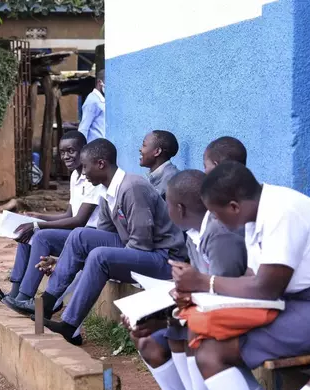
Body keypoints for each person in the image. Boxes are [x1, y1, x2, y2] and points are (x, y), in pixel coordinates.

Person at [170, 162, 310, 390]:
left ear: (234, 207)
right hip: (303, 301)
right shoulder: (256, 213)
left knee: (214, 352)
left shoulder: (282, 212)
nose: (216, 221)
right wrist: (196, 293)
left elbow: (265, 289)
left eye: (216, 214)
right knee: (205, 339)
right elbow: (252, 276)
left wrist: (203, 282)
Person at [14, 138, 187, 344]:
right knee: (80, 235)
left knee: (99, 256)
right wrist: (62, 262)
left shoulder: (132, 188)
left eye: (86, 166)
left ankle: (69, 326)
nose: (83, 172)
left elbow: (142, 242)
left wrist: (103, 259)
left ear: (101, 164)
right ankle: (48, 305)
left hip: (164, 258)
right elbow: (100, 236)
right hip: (140, 248)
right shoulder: (108, 191)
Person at [124, 169, 248, 390]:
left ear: (179, 209)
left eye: (166, 204)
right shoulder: (192, 234)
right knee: (148, 340)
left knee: (184, 331)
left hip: (230, 315)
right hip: (205, 312)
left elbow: (221, 296)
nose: (166, 210)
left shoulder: (220, 236)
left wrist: (166, 318)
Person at [3, 131, 104, 304]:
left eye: (71, 151)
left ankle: (24, 296)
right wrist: (38, 217)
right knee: (26, 234)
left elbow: (79, 220)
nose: (66, 156)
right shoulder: (75, 176)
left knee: (41, 236)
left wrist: (38, 225)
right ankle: (14, 292)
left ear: (84, 151)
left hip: (88, 234)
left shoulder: (92, 179)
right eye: (63, 152)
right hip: (75, 232)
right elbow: (69, 215)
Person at [140, 130, 180, 198]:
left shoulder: (171, 180)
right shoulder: (153, 176)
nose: (140, 149)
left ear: (157, 151)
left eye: (144, 145)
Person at [78, 69, 105, 142]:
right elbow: (83, 127)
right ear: (100, 82)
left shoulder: (101, 100)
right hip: (94, 148)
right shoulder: (92, 100)